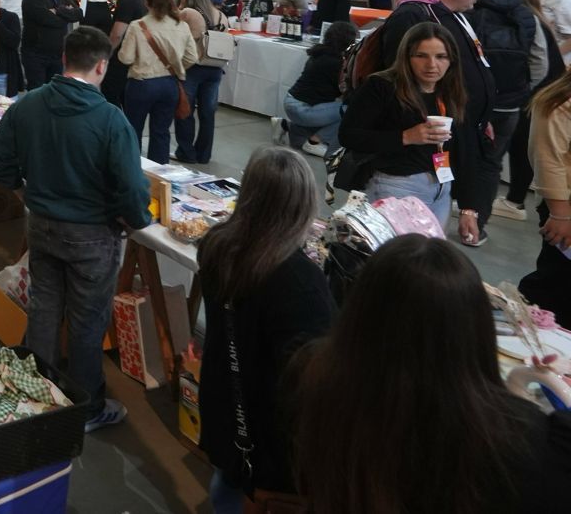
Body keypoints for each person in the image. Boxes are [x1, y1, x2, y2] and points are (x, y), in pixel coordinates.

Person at [292, 235, 571, 514]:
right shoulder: (522, 440)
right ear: (478, 330)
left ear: (359, 309)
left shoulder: (315, 378)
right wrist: (527, 387)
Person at [0, 26, 150, 432]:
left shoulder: (29, 104)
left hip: (41, 226)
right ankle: (86, 408)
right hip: (92, 235)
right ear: (101, 66)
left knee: (43, 310)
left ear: (63, 59)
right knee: (87, 322)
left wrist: (24, 191)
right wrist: (136, 220)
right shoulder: (110, 119)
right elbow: (132, 189)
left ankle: (39, 394)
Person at [197, 147, 334, 513]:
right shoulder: (298, 279)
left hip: (227, 413)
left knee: (227, 485)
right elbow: (311, 383)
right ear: (303, 205)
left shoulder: (216, 245)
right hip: (270, 439)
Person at [378, 0, 496, 244]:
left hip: (453, 138)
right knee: (404, 247)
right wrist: (418, 126)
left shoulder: (454, 16)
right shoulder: (413, 14)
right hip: (415, 159)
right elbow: (399, 78)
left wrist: (481, 114)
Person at [341, 22, 468, 230]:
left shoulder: (449, 89)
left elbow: (464, 147)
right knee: (400, 250)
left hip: (441, 186)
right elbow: (349, 135)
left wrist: (469, 206)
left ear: (451, 59)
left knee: (428, 250)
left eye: (441, 57)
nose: (432, 65)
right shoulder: (382, 86)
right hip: (396, 185)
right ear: (407, 56)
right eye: (421, 56)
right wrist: (405, 137)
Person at [472, 0, 539, 226]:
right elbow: (537, 58)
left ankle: (462, 210)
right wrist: (525, 91)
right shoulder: (525, 12)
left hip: (473, 97)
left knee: (462, 156)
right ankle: (478, 224)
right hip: (511, 100)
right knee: (492, 163)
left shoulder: (470, 9)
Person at [498, 0, 568, 222]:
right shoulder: (538, 21)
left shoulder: (527, 23)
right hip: (544, 93)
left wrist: (523, 93)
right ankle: (515, 200)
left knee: (525, 149)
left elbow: (538, 65)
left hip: (538, 95)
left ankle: (515, 201)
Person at [118, 0, 198, 163]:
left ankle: (133, 168)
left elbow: (125, 57)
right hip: (169, 84)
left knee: (133, 130)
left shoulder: (138, 26)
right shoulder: (181, 26)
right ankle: (159, 172)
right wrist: (176, 67)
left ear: (146, 3)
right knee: (161, 132)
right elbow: (192, 57)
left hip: (141, 84)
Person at [521, 63, 571, 324]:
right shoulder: (559, 101)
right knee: (557, 285)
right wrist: (561, 214)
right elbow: (548, 157)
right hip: (564, 208)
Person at [275, 20, 357, 157]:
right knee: (351, 110)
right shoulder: (336, 62)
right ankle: (315, 142)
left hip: (294, 103)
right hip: (303, 108)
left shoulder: (319, 53)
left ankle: (285, 125)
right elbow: (345, 90)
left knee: (333, 114)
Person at [174, 0, 230, 164]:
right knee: (208, 113)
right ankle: (204, 154)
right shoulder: (222, 16)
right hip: (215, 68)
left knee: (185, 111)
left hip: (193, 67)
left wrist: (180, 2)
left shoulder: (189, 13)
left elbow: (172, 24)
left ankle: (186, 152)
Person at [21, 0, 83, 88]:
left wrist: (58, 10)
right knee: (37, 92)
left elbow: (78, 13)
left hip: (57, 54)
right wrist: (66, 14)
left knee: (54, 91)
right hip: (36, 55)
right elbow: (48, 20)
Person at [102, 0, 149, 107]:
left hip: (121, 59)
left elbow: (117, 34)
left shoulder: (127, 2)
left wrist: (106, 55)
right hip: (131, 56)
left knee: (111, 96)